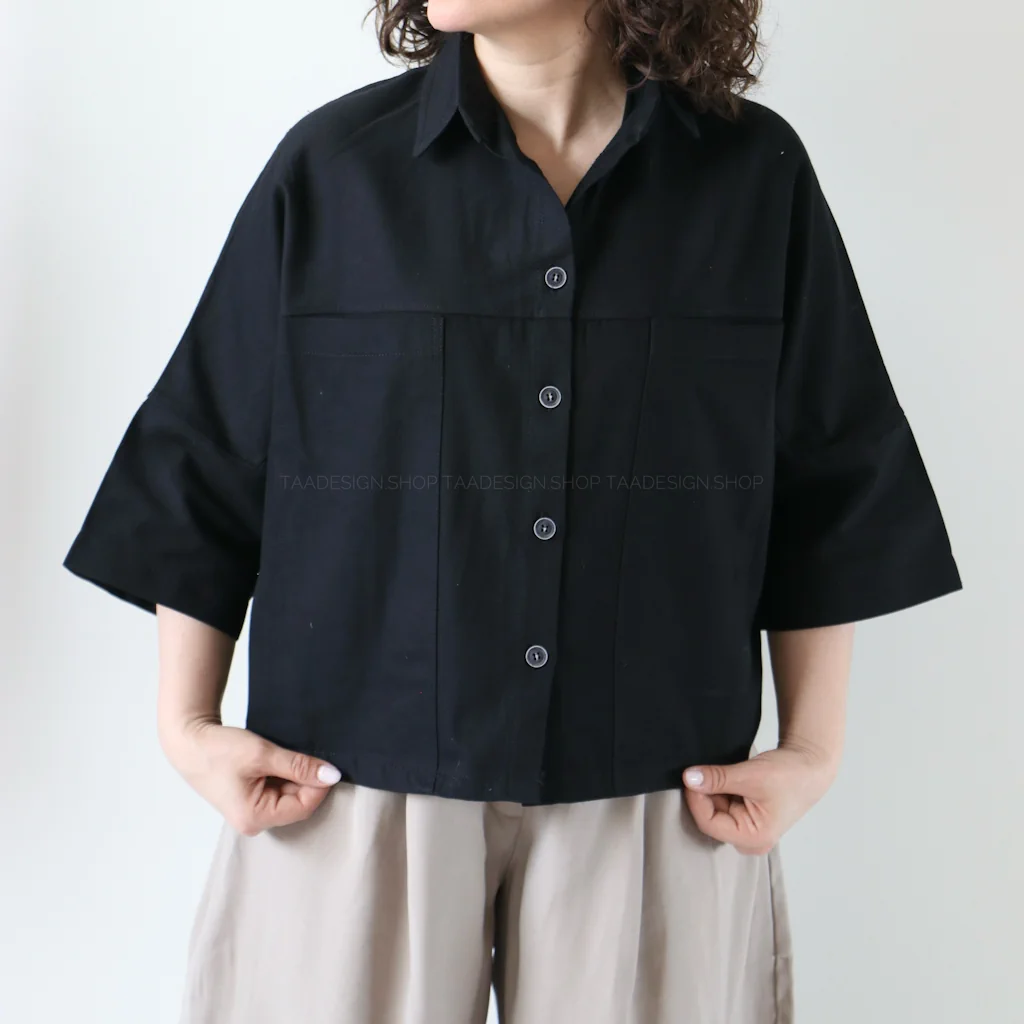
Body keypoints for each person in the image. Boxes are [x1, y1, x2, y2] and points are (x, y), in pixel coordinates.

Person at [62, 1, 962, 1021]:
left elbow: (831, 476)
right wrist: (187, 726)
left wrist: (813, 751)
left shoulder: (753, 178)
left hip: (662, 788)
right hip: (349, 785)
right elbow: (205, 451)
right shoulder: (334, 170)